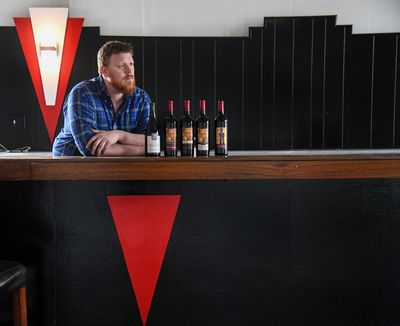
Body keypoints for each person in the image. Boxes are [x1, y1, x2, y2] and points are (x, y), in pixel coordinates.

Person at [52, 40, 151, 157]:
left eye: (131, 64)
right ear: (104, 71)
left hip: (117, 166)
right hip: (70, 165)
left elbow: (150, 140)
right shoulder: (82, 93)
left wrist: (118, 135)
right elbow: (89, 149)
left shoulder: (141, 98)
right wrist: (143, 150)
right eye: (121, 66)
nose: (130, 72)